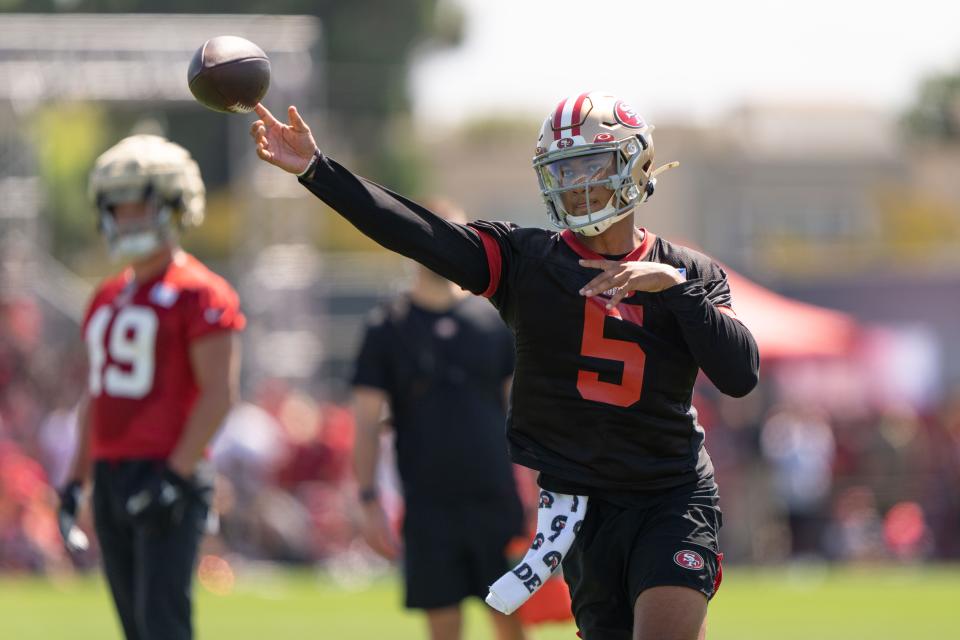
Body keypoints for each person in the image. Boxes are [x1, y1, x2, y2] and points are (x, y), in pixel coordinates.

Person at [250, 91, 759, 640]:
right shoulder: (528, 261)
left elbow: (739, 374)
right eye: (562, 170)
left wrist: (677, 292)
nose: (576, 183)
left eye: (589, 164)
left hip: (672, 492)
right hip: (582, 504)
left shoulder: (688, 271)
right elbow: (418, 232)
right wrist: (316, 169)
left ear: (634, 163)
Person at [57, 134, 245, 640]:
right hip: (112, 473)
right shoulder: (107, 295)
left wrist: (175, 475)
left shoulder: (201, 291)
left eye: (141, 206)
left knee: (164, 625)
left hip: (168, 470)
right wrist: (77, 479)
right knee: (135, 628)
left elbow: (219, 393)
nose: (128, 219)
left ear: (173, 206)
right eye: (118, 208)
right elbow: (97, 397)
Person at [351, 198, 527, 640]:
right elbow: (366, 422)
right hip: (428, 505)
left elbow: (523, 416)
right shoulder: (386, 328)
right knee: (444, 630)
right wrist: (370, 501)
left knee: (512, 625)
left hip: (496, 501)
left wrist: (542, 495)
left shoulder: (492, 322)